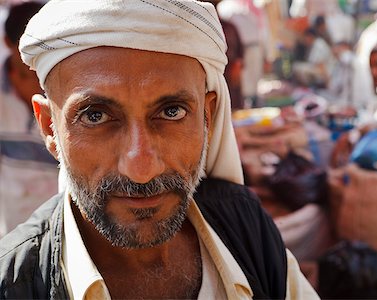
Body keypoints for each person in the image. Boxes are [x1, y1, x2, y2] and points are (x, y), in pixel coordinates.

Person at [0, 1, 319, 299]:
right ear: (49, 128)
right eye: (95, 116)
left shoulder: (245, 226)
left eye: (171, 112)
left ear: (207, 117)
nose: (141, 168)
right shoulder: (15, 282)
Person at [0, 1, 58, 238]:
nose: (34, 58)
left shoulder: (65, 90)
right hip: (13, 229)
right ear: (8, 44)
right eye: (26, 48)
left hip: (62, 227)